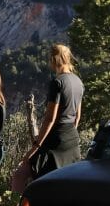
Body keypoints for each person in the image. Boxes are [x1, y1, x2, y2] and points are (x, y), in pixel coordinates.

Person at [23, 43, 84, 179]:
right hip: (72, 140)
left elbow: (50, 119)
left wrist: (36, 147)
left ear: (54, 60)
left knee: (22, 173)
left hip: (56, 140)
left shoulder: (57, 82)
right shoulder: (78, 82)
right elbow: (77, 117)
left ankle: (21, 200)